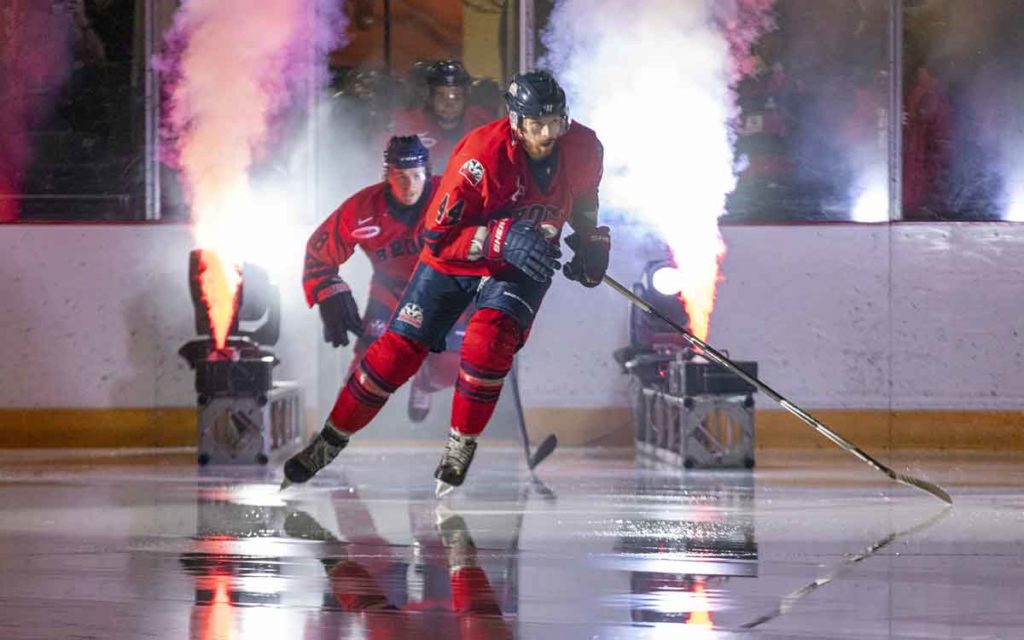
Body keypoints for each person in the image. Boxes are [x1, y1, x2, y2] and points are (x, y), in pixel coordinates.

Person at [283, 70, 610, 496]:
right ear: (515, 122)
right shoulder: (479, 156)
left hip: (523, 258)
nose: (548, 134)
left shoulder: (585, 146)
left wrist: (590, 240)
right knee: (396, 353)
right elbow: (438, 237)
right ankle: (330, 439)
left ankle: (460, 444)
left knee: (489, 341)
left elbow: (585, 197)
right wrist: (498, 237)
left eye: (555, 122)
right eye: (536, 125)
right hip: (459, 253)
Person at [302, 135, 439, 373]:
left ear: (427, 173)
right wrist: (328, 289)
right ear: (387, 176)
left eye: (416, 175)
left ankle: (425, 385)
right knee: (368, 365)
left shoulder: (451, 194)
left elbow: (494, 227)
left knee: (449, 365)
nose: (409, 186)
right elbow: (318, 252)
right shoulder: (363, 207)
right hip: (389, 291)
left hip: (443, 291)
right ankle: (346, 410)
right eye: (400, 177)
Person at [390, 60, 494, 173]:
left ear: (466, 97)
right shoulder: (407, 126)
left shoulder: (483, 123)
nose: (449, 105)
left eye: (456, 97)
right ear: (430, 97)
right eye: (441, 97)